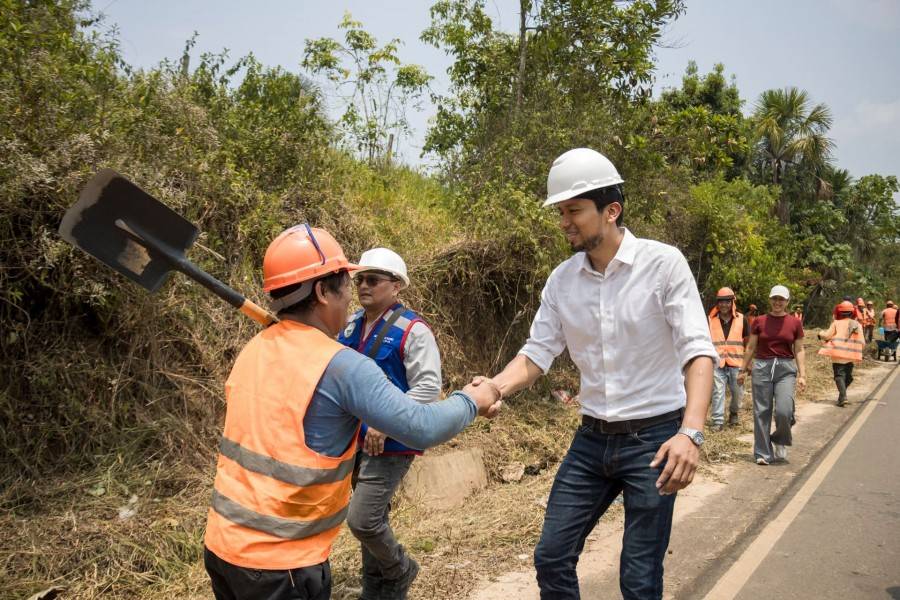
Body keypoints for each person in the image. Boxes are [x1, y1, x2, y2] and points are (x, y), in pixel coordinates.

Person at [202, 225, 501, 600]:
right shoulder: (341, 364)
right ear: (322, 292)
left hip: (222, 548)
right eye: (348, 284)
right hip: (282, 566)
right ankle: (394, 575)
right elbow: (422, 427)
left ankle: (382, 584)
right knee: (366, 518)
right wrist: (475, 397)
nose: (354, 293)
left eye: (370, 281)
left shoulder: (255, 349)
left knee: (368, 518)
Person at [484, 148, 716, 600]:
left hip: (655, 440)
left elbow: (697, 352)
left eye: (574, 210)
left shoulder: (663, 264)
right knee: (551, 556)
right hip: (591, 440)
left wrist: (692, 433)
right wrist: (495, 387)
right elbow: (536, 354)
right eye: (561, 212)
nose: (564, 222)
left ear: (611, 210)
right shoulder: (562, 280)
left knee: (639, 574)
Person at [337, 247, 441, 599]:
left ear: (396, 286)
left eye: (373, 279)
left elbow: (428, 387)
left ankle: (400, 569)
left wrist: (387, 421)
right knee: (374, 518)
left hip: (392, 442)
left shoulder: (413, 330)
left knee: (362, 519)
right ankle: (377, 589)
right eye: (360, 279)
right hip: (355, 440)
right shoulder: (350, 325)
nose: (363, 285)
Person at [738, 285, 806, 465]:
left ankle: (781, 439)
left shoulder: (794, 323)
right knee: (762, 411)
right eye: (775, 298)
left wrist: (802, 375)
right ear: (770, 300)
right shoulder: (759, 321)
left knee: (785, 410)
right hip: (762, 367)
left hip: (785, 369)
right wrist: (742, 370)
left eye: (781, 299)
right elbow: (751, 347)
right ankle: (763, 453)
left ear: (787, 302)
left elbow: (799, 349)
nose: (778, 302)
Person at [707, 287, 749, 430]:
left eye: (727, 302)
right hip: (718, 363)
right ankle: (717, 421)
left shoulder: (742, 319)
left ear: (732, 303)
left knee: (737, 393)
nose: (724, 305)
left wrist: (747, 364)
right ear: (717, 303)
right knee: (718, 391)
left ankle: (734, 413)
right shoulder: (710, 321)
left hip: (736, 363)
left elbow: (749, 343)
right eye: (721, 302)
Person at [817, 301, 864, 407]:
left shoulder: (836, 323)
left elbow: (827, 335)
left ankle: (843, 396)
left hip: (838, 355)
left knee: (839, 376)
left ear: (839, 312)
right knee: (848, 377)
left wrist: (820, 333)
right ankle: (842, 397)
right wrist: (859, 352)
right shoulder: (857, 325)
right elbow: (862, 342)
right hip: (851, 355)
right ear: (852, 312)